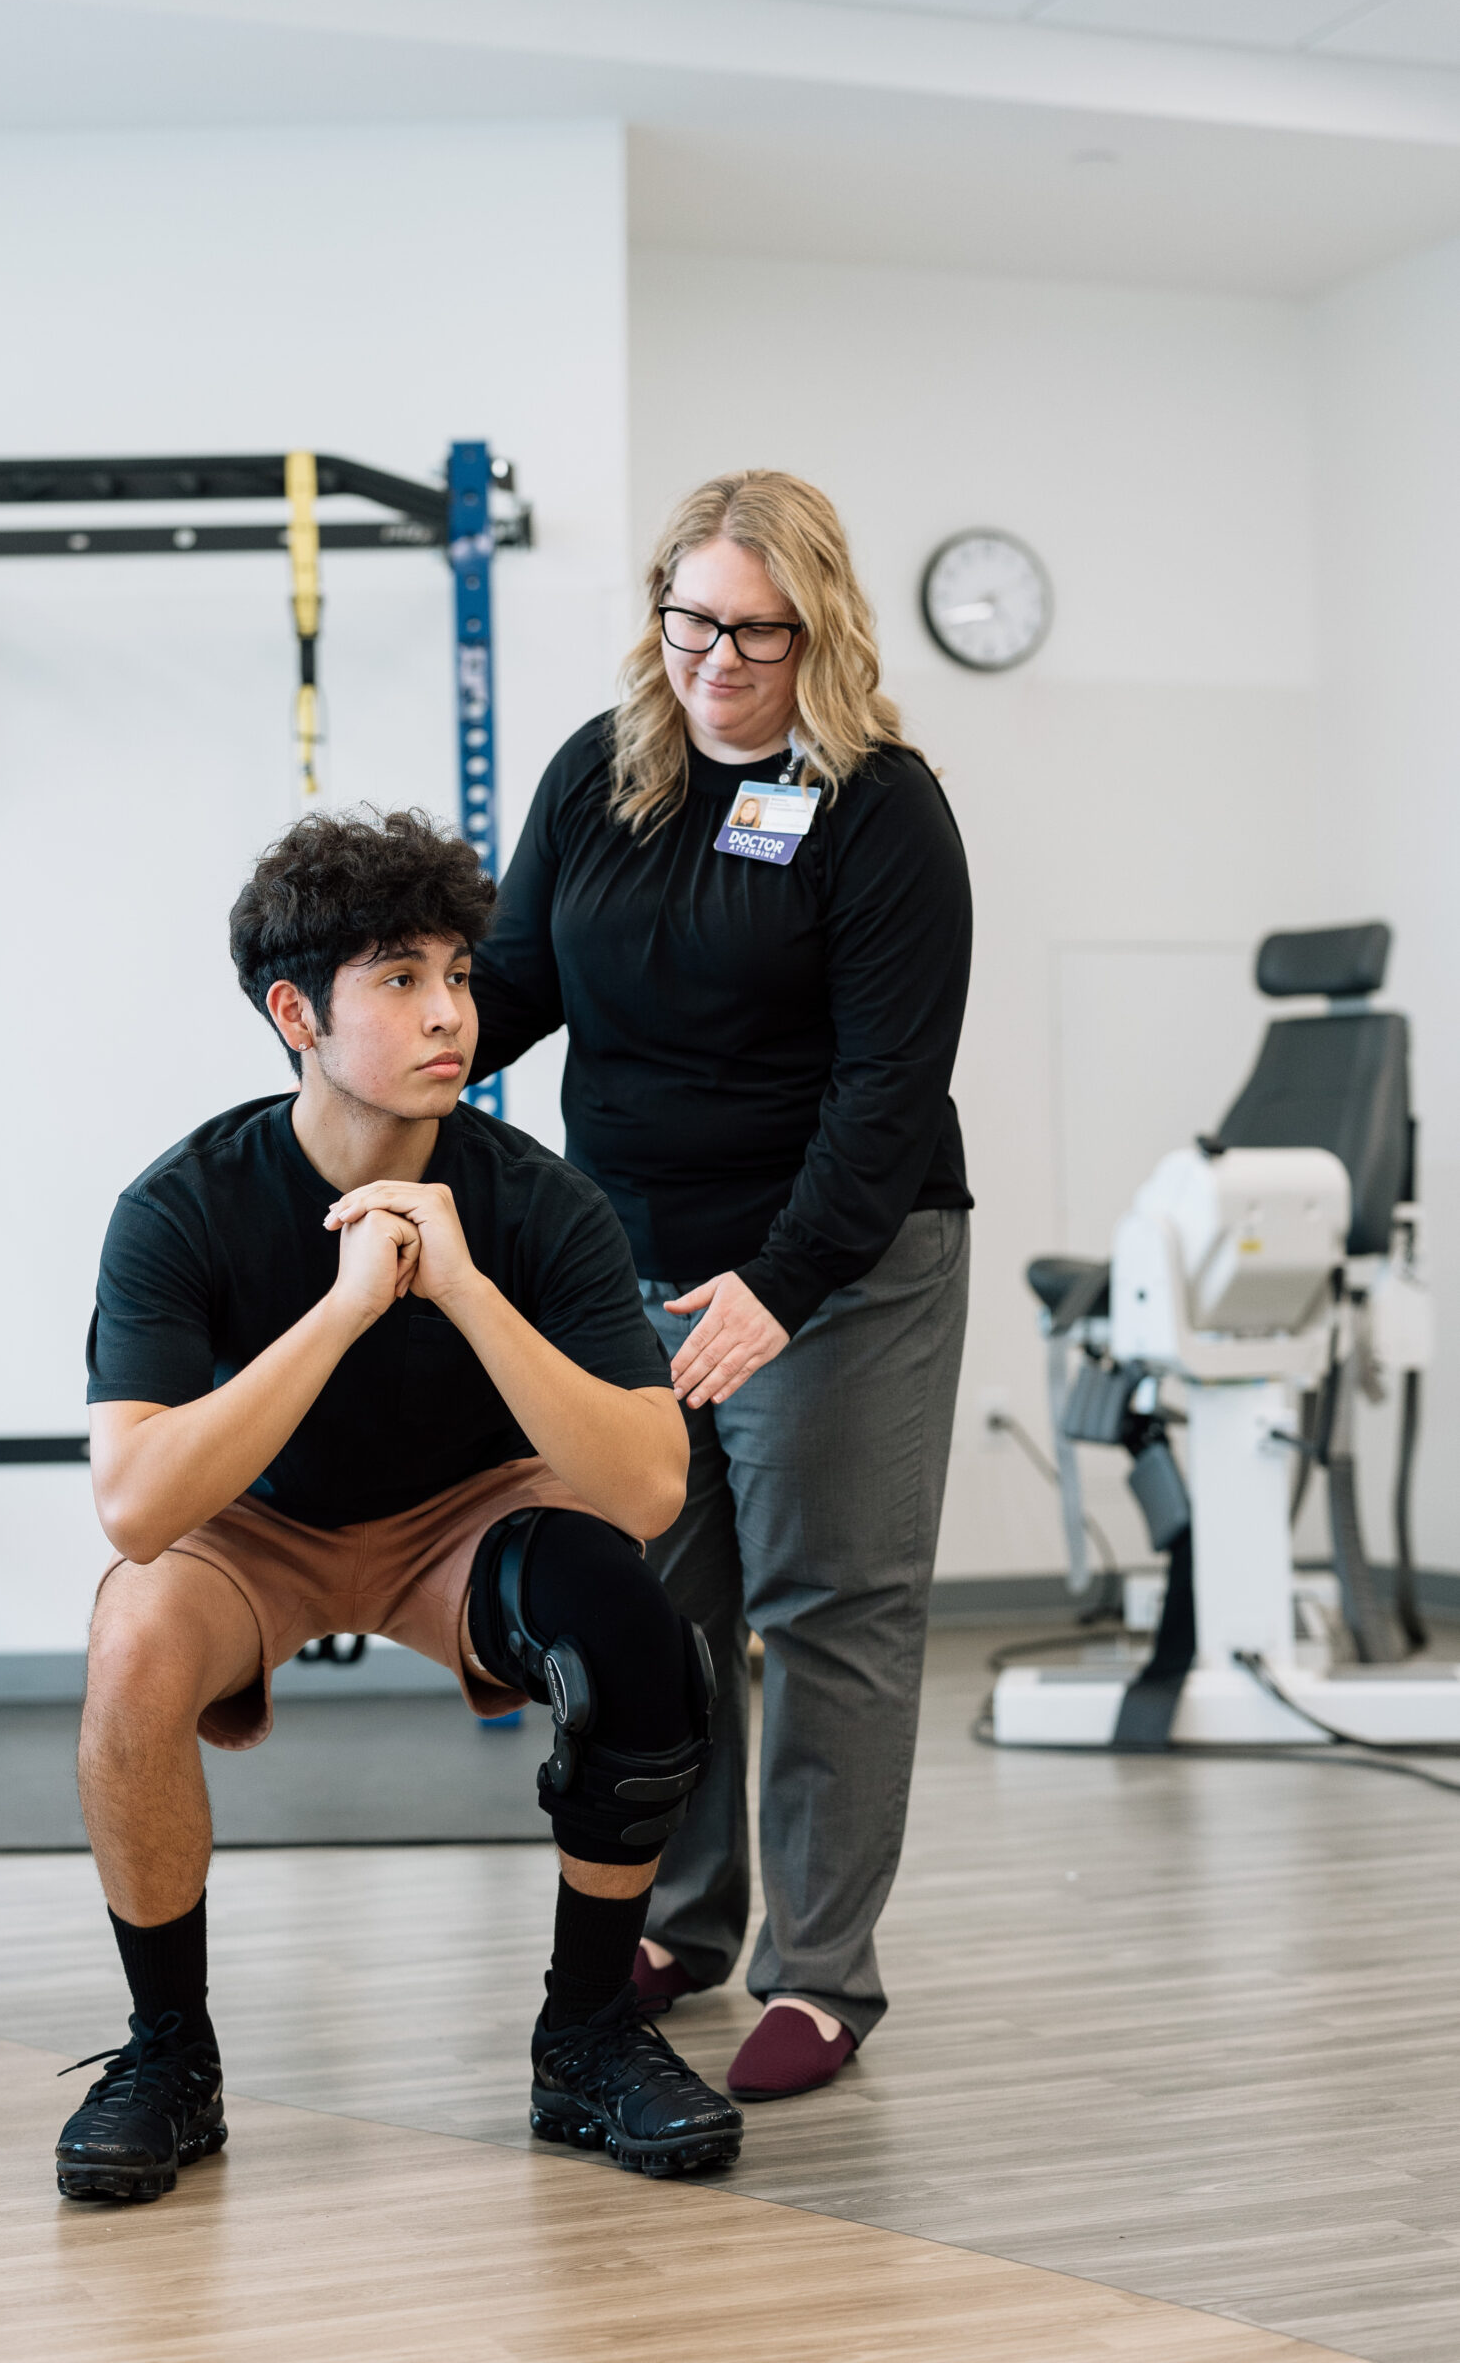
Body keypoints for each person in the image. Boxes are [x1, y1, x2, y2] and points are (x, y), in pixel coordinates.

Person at [55, 809, 743, 2202]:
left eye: (459, 976)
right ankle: (170, 2056)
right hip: (256, 1536)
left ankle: (587, 2036)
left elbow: (649, 1483)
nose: (450, 1014)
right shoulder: (182, 1206)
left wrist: (465, 1289)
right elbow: (133, 1507)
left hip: (464, 1522)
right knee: (131, 1642)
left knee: (639, 1633)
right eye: (400, 980)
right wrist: (345, 1306)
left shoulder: (541, 1204)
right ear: (296, 1014)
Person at [469, 470, 971, 2102]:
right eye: (693, 623)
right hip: (627, 1261)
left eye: (759, 633)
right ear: (658, 612)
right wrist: (373, 1035)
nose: (718, 662)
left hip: (844, 1264)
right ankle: (680, 1921)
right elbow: (515, 983)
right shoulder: (601, 773)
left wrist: (783, 1281)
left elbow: (888, 1092)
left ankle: (820, 1974)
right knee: (658, 1599)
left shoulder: (880, 807)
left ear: (819, 630)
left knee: (826, 1609)